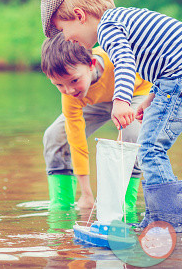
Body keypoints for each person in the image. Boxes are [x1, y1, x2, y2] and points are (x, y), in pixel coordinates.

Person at [40, 0, 182, 232]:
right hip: (181, 77)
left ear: (80, 15)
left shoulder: (108, 29)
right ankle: (156, 218)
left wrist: (122, 101)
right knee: (150, 148)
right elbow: (163, 61)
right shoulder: (121, 21)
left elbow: (124, 62)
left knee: (150, 150)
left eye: (64, 30)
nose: (66, 39)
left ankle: (170, 223)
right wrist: (151, 98)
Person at [41, 32, 152, 221]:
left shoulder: (115, 59)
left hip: (135, 92)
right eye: (58, 85)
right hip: (96, 101)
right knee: (55, 135)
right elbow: (76, 142)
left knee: (131, 132)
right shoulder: (71, 94)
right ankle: (62, 207)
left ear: (91, 65)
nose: (68, 90)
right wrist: (86, 194)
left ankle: (124, 204)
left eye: (74, 80)